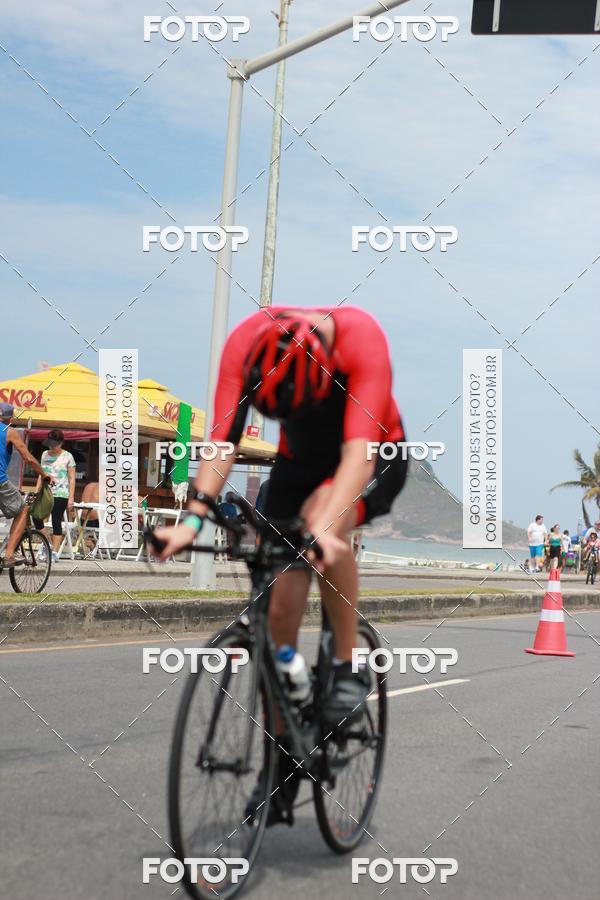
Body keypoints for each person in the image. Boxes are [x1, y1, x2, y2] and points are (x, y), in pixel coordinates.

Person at [155, 306, 408, 724]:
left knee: (320, 519)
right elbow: (221, 444)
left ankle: (347, 665)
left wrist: (326, 529)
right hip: (299, 461)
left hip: (374, 453)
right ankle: (281, 760)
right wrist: (192, 523)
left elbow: (357, 459)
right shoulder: (243, 342)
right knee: (277, 613)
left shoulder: (360, 337)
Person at [0, 402, 51, 566]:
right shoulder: (9, 431)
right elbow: (28, 458)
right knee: (22, 510)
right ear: (10, 418)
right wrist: (44, 474)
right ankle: (8, 556)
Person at [33, 429, 76, 561]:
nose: (51, 447)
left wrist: (71, 498)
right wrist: (36, 492)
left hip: (61, 493)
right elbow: (41, 474)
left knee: (56, 521)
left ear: (61, 443)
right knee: (36, 517)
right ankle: (47, 543)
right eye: (50, 444)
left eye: (54, 444)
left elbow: (72, 478)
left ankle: (54, 552)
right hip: (45, 493)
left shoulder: (68, 456)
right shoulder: (45, 454)